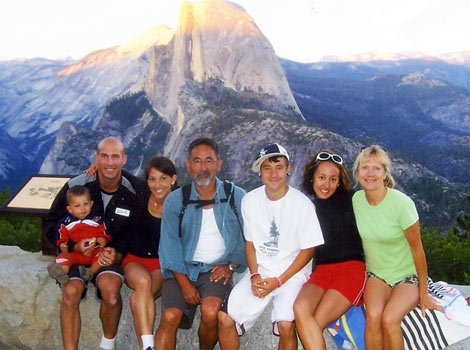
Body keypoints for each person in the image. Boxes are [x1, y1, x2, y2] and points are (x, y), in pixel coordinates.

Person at [218, 143, 324, 350]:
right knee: (224, 319)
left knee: (286, 325)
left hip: (292, 274)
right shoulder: (250, 201)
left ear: (288, 169)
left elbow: (308, 251)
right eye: (267, 168)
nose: (273, 174)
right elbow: (249, 243)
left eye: (279, 167)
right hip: (261, 272)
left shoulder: (302, 205)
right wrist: (255, 275)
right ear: (260, 171)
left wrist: (278, 280)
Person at [45, 136, 146, 350]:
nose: (110, 163)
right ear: (96, 157)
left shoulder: (136, 189)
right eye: (104, 156)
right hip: (75, 253)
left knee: (110, 293)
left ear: (124, 159)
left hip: (108, 256)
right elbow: (51, 222)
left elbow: (138, 229)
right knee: (71, 293)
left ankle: (106, 345)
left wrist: (117, 252)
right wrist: (72, 246)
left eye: (115, 157)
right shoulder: (77, 185)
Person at [155, 137, 246, 350]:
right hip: (182, 269)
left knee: (211, 311)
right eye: (197, 161)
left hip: (216, 269)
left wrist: (231, 266)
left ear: (219, 164)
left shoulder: (236, 197)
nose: (203, 168)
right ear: (188, 165)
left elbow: (248, 238)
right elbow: (169, 245)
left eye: (208, 161)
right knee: (170, 316)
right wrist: (185, 284)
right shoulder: (176, 200)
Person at [351, 145, 441, 350]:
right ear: (357, 173)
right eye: (365, 167)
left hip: (407, 276)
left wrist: (424, 294)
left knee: (390, 319)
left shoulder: (402, 204)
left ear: (385, 173)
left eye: (377, 168)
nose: (370, 173)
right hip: (377, 274)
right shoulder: (356, 201)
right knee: (373, 316)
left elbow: (418, 250)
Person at [293, 151, 366, 350]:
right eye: (322, 178)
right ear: (312, 177)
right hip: (322, 272)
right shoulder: (307, 208)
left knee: (314, 324)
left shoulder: (352, 200)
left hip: (351, 270)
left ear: (340, 182)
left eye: (333, 179)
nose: (326, 185)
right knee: (299, 308)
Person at [121, 156, 177, 350]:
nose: (157, 184)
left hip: (159, 264)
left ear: (173, 179)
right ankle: (148, 346)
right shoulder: (143, 192)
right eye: (152, 179)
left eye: (163, 178)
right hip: (134, 260)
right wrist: (98, 167)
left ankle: (145, 347)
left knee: (137, 299)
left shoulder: (180, 203)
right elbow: (121, 174)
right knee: (142, 283)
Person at [47, 185, 111, 285]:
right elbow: (60, 233)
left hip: (93, 252)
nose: (82, 208)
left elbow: (105, 229)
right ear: (70, 209)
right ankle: (61, 273)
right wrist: (62, 243)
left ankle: (89, 272)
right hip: (75, 254)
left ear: (91, 204)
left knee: (105, 255)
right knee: (63, 257)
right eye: (77, 206)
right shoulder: (65, 222)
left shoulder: (97, 219)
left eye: (86, 204)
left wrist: (104, 239)